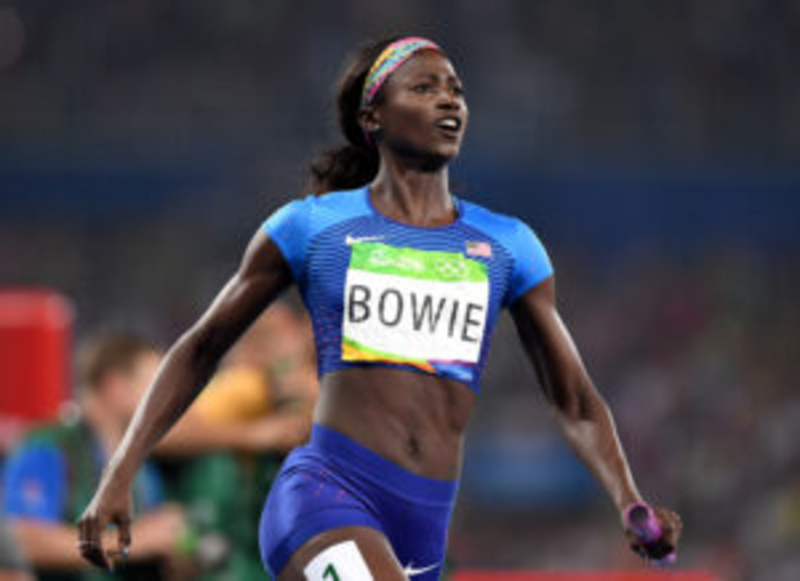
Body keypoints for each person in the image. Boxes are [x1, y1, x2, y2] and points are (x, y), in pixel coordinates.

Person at [77, 36, 683, 580]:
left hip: (425, 525)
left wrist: (628, 498)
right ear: (374, 117)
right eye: (424, 88)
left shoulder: (507, 245)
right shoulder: (312, 227)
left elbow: (575, 400)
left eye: (455, 90)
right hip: (324, 496)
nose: (448, 101)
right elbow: (202, 347)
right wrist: (119, 473)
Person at [3, 333, 188, 580]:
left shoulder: (141, 466)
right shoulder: (48, 447)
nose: (166, 398)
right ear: (114, 386)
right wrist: (132, 541)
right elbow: (22, 540)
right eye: (154, 384)